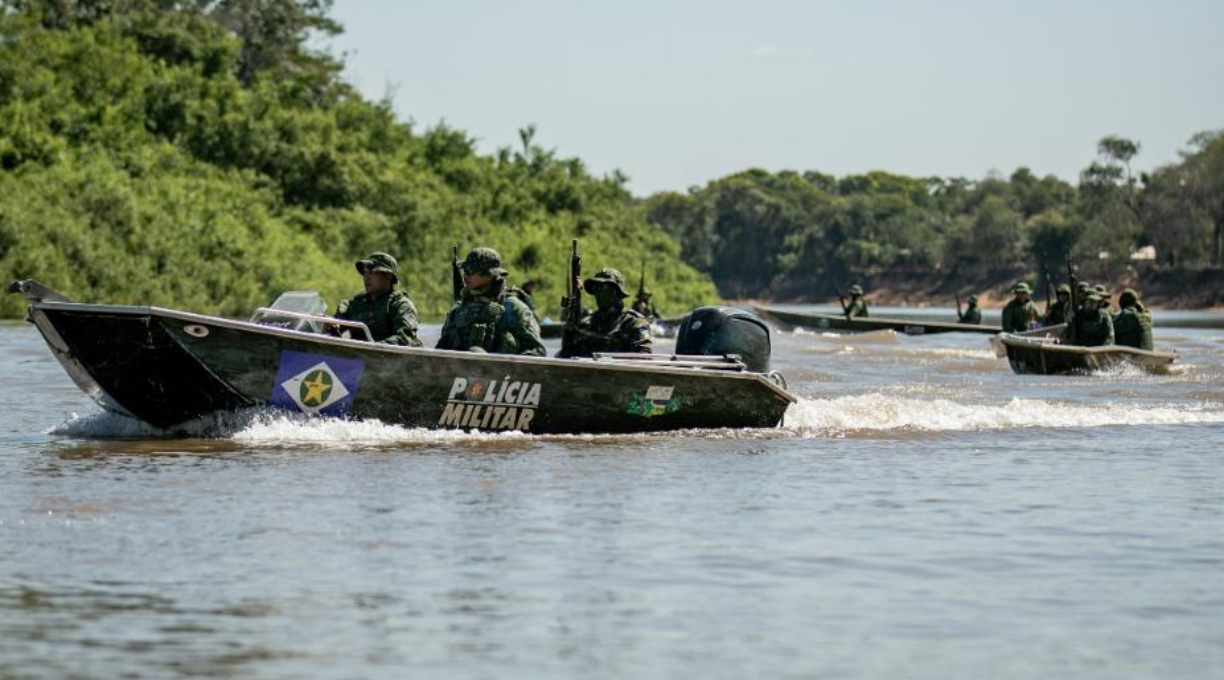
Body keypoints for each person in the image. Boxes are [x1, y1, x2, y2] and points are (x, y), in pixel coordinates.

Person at [436, 247, 546, 356]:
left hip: (504, 372)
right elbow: (440, 355)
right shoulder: (457, 311)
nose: (465, 276)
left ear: (489, 275)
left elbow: (538, 352)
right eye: (465, 271)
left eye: (470, 271)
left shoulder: (514, 309)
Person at [557, 268, 652, 358]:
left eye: (602, 287)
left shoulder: (634, 323)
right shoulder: (586, 325)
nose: (598, 292)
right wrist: (568, 336)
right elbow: (566, 359)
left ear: (616, 291)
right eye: (595, 287)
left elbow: (644, 357)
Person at [333, 252, 422, 346]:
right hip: (359, 357)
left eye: (371, 273)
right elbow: (336, 326)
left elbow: (405, 339)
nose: (366, 277)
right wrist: (330, 326)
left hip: (387, 358)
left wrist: (372, 348)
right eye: (365, 272)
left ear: (388, 276)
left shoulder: (400, 305)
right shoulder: (355, 304)